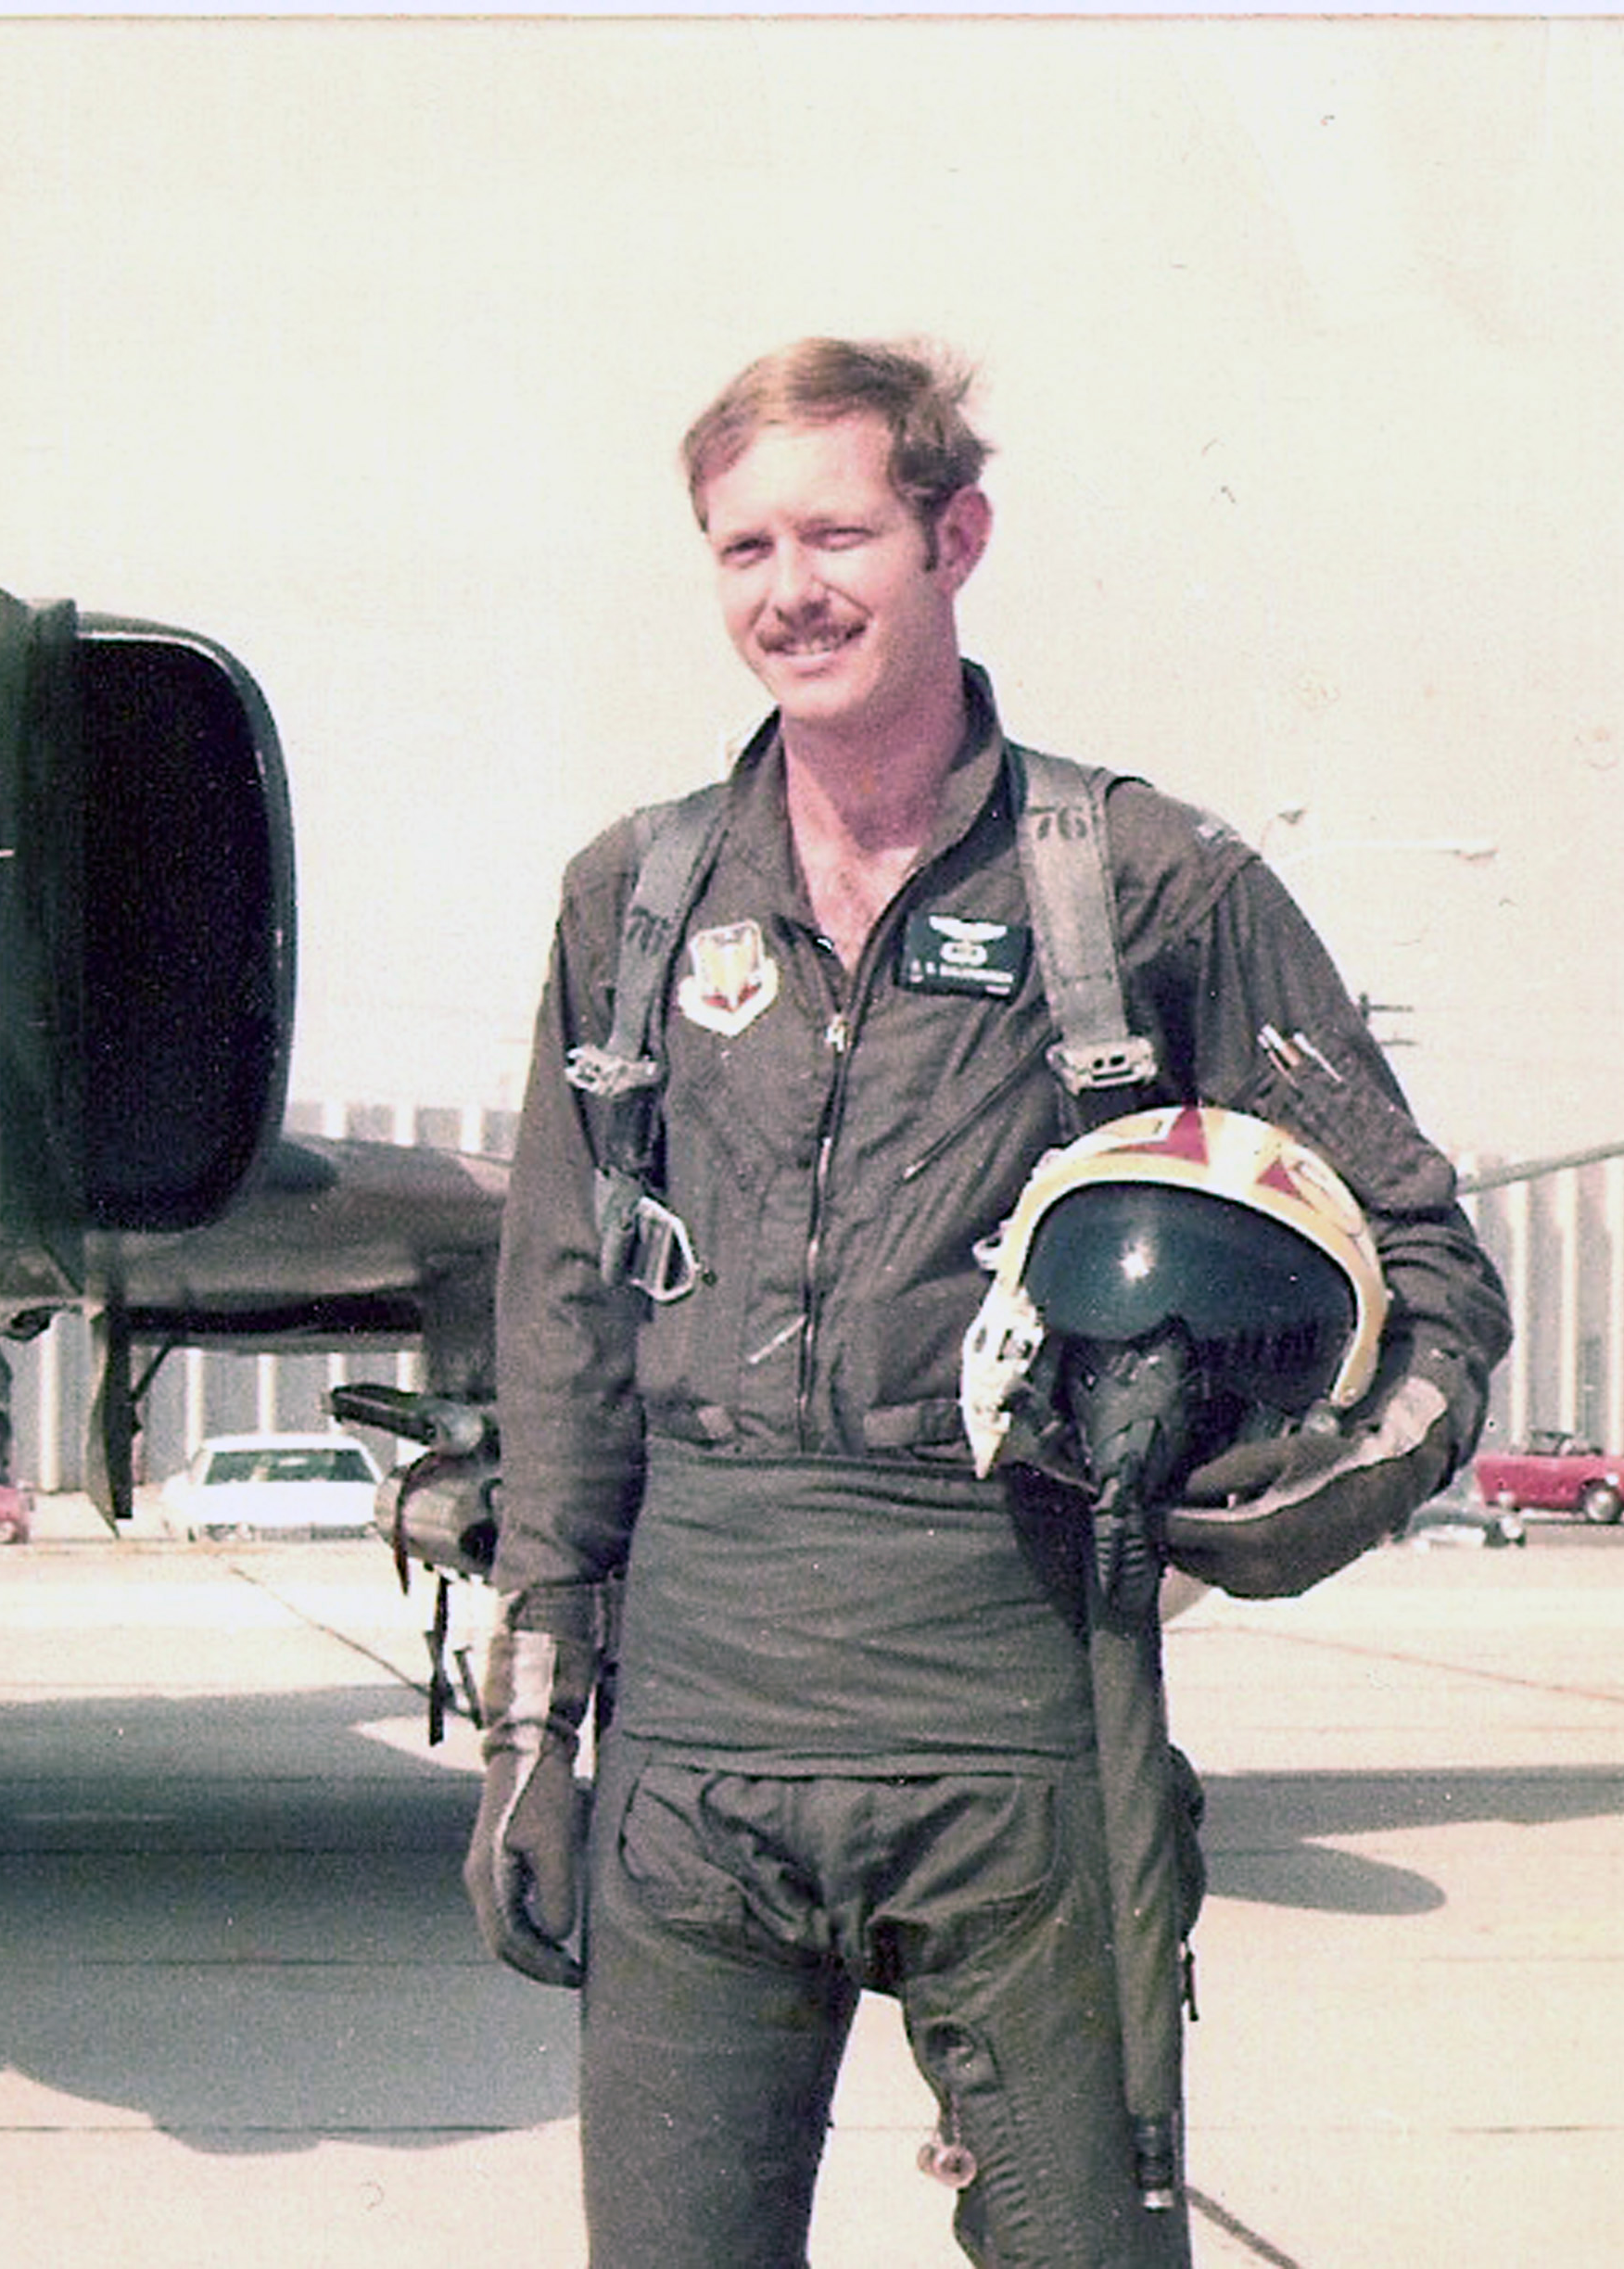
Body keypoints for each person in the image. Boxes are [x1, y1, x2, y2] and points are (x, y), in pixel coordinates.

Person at [470, 337, 1510, 2269]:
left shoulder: (1144, 887)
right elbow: (560, 1330)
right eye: (743, 547)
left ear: (958, 536)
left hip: (1016, 1728)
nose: (791, 590)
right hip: (694, 1752)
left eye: (841, 533)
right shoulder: (632, 905)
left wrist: (1308, 1505)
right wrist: (536, 1720)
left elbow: (1435, 1270)